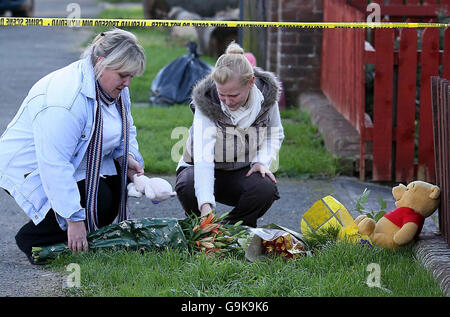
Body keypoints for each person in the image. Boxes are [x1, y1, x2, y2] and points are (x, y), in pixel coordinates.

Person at [0, 29, 146, 264]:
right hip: (32, 164)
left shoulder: (114, 88)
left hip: (76, 159)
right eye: (123, 75)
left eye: (131, 76)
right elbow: (54, 164)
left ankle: (72, 234)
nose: (127, 83)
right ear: (101, 63)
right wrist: (74, 221)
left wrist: (128, 157)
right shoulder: (64, 101)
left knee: (114, 188)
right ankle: (33, 240)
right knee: (95, 202)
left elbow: (126, 130)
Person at [175, 42, 284, 228]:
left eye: (233, 95)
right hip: (201, 167)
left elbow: (275, 134)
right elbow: (203, 156)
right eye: (222, 94)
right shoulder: (207, 101)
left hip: (241, 170)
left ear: (250, 83)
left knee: (265, 187)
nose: (226, 101)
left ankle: (234, 228)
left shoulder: (267, 99)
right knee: (187, 184)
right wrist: (205, 205)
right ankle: (200, 228)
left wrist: (261, 161)